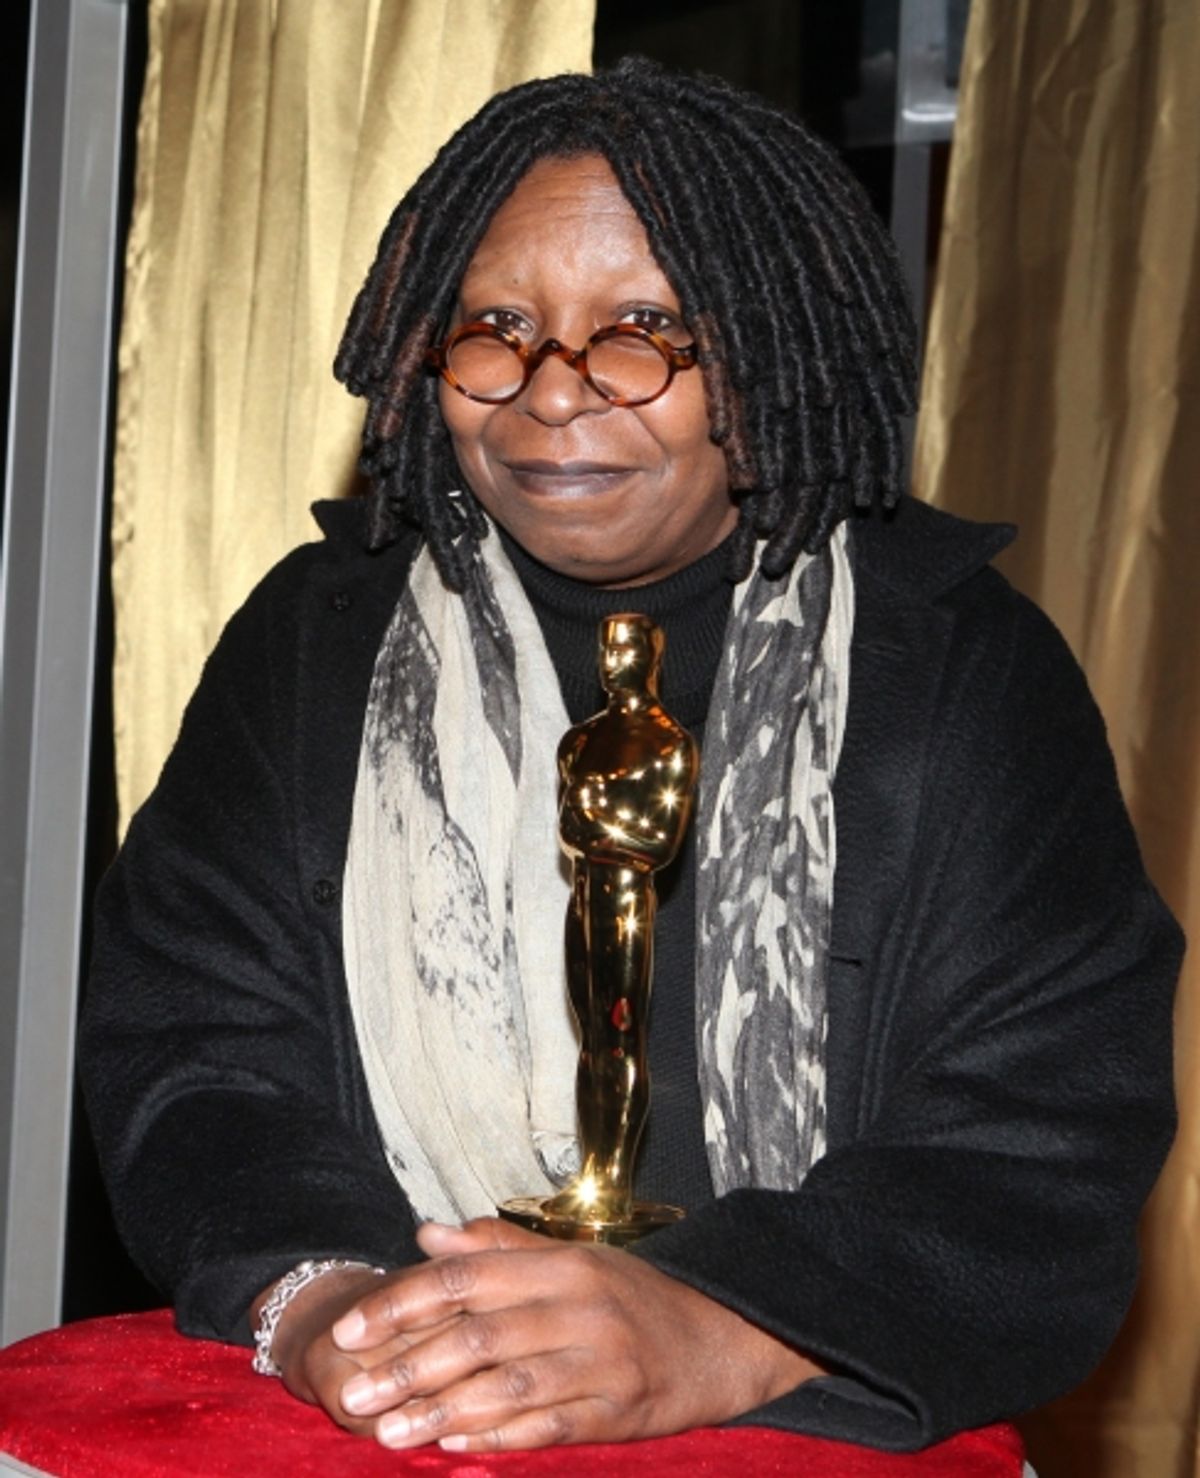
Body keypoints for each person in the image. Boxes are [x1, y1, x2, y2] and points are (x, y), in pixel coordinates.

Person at [80, 58, 1181, 1457]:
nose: (552, 395)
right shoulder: (313, 645)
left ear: (771, 345)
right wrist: (330, 1303)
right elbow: (192, 1048)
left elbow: (1043, 1139)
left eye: (642, 328)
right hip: (394, 1417)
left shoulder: (964, 669)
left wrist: (723, 1325)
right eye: (497, 327)